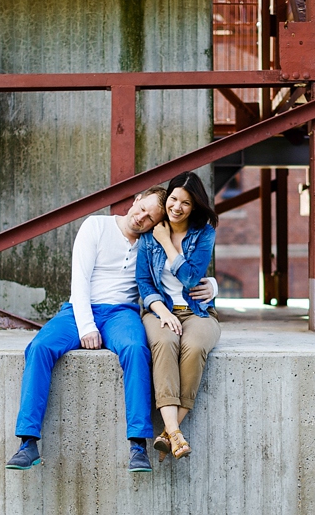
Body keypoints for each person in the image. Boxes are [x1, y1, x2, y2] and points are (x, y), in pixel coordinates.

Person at [6, 186, 216, 473]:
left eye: (150, 218)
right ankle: (28, 442)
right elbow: (79, 281)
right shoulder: (96, 225)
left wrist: (212, 285)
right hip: (80, 310)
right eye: (141, 209)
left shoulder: (148, 243)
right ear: (135, 199)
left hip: (122, 313)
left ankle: (138, 446)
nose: (141, 218)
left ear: (156, 223)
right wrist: (87, 326)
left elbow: (175, 276)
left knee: (135, 349)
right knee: (40, 347)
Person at [135, 171, 221, 462]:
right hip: (159, 311)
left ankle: (169, 433)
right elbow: (144, 283)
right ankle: (175, 434)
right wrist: (161, 311)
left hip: (197, 312)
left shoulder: (204, 233)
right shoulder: (148, 237)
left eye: (185, 202)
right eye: (173, 199)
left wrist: (168, 243)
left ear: (194, 206)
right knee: (165, 344)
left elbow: (189, 277)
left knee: (195, 347)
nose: (177, 207)